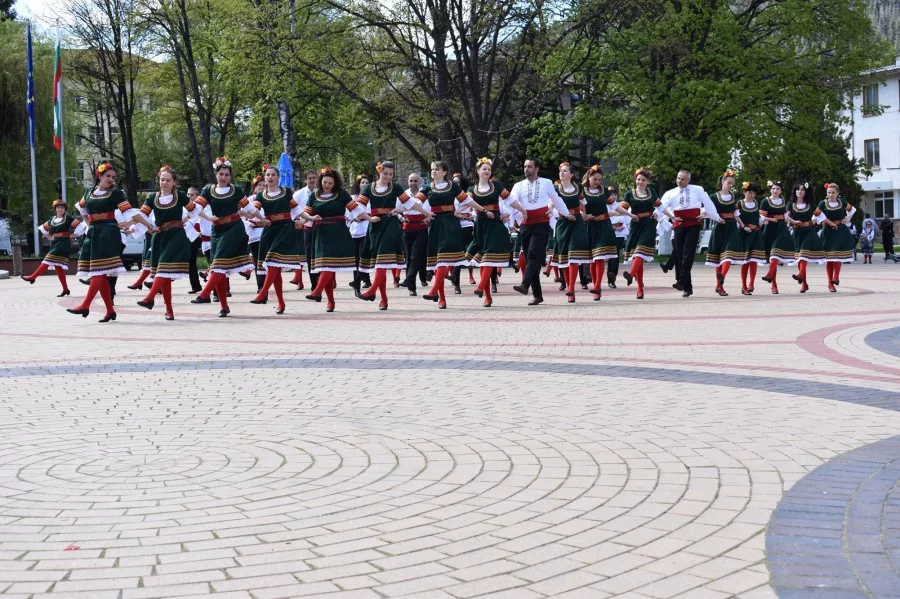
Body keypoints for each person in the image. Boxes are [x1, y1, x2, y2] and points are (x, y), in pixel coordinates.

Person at [190, 157, 268, 317]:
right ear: (216, 174)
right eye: (221, 174)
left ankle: (204, 294)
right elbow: (195, 208)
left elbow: (250, 208)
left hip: (234, 229)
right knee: (218, 268)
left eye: (226, 174)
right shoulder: (207, 190)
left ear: (230, 176)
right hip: (217, 231)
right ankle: (224, 306)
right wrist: (208, 217)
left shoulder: (236, 190)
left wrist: (262, 219)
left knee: (217, 265)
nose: (224, 177)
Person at [68, 162, 138, 322]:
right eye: (108, 176)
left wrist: (128, 224)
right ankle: (110, 311)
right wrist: (89, 223)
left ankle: (85, 305)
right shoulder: (89, 193)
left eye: (113, 177)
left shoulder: (116, 194)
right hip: (94, 233)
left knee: (98, 272)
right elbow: (82, 209)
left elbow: (129, 213)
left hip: (108, 233)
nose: (111, 179)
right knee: (101, 274)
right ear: (99, 175)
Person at [129, 165, 200, 320]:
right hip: (160, 237)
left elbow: (195, 210)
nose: (164, 182)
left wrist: (185, 220)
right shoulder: (151, 198)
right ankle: (169, 310)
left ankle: (149, 298)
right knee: (164, 274)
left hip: (176, 236)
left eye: (168, 180)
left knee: (162, 270)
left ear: (174, 182)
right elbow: (141, 215)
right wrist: (141, 227)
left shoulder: (180, 196)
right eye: (162, 179)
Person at [419, 161, 492, 309]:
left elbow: (467, 200)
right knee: (438, 261)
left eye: (437, 169)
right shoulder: (427, 188)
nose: (433, 171)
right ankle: (441, 298)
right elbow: (412, 203)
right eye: (432, 169)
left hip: (450, 224)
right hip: (435, 226)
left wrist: (483, 210)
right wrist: (424, 213)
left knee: (443, 260)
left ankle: (434, 291)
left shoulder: (452, 186)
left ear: (444, 172)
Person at [303, 167, 378, 312]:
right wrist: (303, 220)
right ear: (321, 181)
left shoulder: (341, 194)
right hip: (320, 233)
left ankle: (318, 291)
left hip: (338, 233)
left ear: (335, 183)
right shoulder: (314, 195)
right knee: (326, 268)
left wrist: (369, 218)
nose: (327, 185)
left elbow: (355, 209)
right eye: (325, 182)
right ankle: (330, 301)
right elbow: (306, 213)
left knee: (328, 267)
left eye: (330, 183)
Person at [357, 161, 430, 310]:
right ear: (379, 172)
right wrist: (369, 218)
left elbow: (410, 203)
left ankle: (372, 291)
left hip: (390, 226)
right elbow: (358, 207)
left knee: (383, 261)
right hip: (375, 226)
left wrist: (426, 213)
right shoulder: (369, 188)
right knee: (380, 265)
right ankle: (383, 299)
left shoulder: (395, 187)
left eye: (391, 174)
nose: (388, 177)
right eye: (385, 174)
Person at [506, 158, 573, 306]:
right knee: (531, 260)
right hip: (526, 224)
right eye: (525, 166)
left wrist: (566, 214)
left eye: (529, 166)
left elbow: (556, 199)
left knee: (533, 254)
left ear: (536, 168)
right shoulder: (518, 185)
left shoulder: (546, 183)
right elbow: (512, 203)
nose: (526, 169)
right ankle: (538, 295)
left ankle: (525, 284)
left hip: (541, 223)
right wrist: (508, 218)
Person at [657, 169, 723, 297]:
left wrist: (716, 217)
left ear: (688, 180)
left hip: (693, 224)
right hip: (679, 225)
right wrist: (668, 216)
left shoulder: (697, 189)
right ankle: (687, 287)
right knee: (680, 255)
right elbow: (661, 207)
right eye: (678, 178)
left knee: (688, 253)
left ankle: (681, 281)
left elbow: (708, 203)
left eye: (683, 179)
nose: (680, 181)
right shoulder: (670, 193)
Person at [250, 165, 304, 314]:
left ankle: (263, 293)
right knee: (275, 269)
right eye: (268, 175)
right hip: (270, 231)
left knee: (273, 263)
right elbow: (254, 210)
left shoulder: (286, 192)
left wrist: (310, 217)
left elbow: (296, 209)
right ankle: (280, 302)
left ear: (278, 177)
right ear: (265, 177)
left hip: (286, 230)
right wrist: (248, 214)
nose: (270, 177)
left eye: (273, 175)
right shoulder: (260, 196)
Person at [465, 157, 509, 307]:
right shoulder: (472, 189)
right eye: (484, 169)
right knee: (484, 262)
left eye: (489, 169)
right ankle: (488, 297)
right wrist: (459, 211)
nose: (487, 171)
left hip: (495, 224)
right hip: (481, 226)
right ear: (477, 171)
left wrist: (512, 212)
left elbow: (510, 200)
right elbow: (466, 203)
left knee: (489, 257)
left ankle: (479, 288)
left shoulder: (496, 185)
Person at [21, 199, 86, 295]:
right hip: (55, 243)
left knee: (47, 259)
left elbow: (81, 226)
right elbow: (43, 229)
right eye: (58, 207)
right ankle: (65, 289)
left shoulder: (68, 218)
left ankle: (33, 277)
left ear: (65, 209)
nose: (60, 209)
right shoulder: (52, 220)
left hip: (63, 244)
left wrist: (74, 235)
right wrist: (50, 237)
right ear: (55, 209)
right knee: (58, 267)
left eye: (62, 207)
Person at [582, 165, 627, 300]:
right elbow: (577, 207)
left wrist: (629, 215)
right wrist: (583, 215)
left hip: (603, 226)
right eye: (595, 179)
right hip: (589, 226)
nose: (597, 182)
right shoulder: (582, 191)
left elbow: (615, 206)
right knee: (592, 259)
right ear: (589, 177)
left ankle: (597, 286)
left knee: (600, 257)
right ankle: (596, 286)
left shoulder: (604, 191)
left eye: (599, 179)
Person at [551, 162, 591, 303]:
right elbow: (551, 206)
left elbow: (583, 202)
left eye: (565, 171)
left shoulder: (578, 187)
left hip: (577, 222)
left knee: (574, 256)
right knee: (565, 258)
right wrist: (559, 213)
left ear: (571, 174)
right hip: (562, 223)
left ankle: (571, 288)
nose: (562, 173)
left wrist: (584, 215)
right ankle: (569, 286)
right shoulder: (555, 189)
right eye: (561, 171)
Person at [619, 169, 659, 299]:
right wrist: (610, 212)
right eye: (638, 179)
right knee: (638, 256)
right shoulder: (629, 194)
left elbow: (661, 207)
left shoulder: (651, 192)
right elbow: (621, 209)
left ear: (648, 181)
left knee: (640, 252)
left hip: (649, 224)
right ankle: (640, 288)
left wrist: (662, 215)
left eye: (643, 180)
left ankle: (630, 275)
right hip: (636, 225)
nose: (640, 182)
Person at [815, 182, 856, 292]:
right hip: (828, 230)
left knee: (839, 255)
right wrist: (822, 221)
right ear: (826, 193)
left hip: (840, 230)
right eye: (829, 192)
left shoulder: (842, 202)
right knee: (829, 258)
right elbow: (816, 215)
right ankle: (830, 283)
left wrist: (848, 218)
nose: (831, 194)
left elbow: (852, 209)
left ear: (838, 193)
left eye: (833, 192)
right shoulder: (822, 203)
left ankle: (836, 277)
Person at [705, 170, 738, 296]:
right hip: (719, 226)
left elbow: (736, 213)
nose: (731, 185)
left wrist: (741, 224)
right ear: (723, 181)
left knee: (729, 255)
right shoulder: (713, 197)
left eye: (732, 183)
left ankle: (721, 277)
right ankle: (720, 287)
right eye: (729, 182)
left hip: (731, 227)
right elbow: (708, 211)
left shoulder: (733, 196)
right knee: (718, 257)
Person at [785, 182, 822, 293]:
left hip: (809, 231)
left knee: (803, 254)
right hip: (797, 233)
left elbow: (820, 215)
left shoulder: (811, 204)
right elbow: (786, 216)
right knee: (800, 257)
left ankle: (800, 275)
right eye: (798, 189)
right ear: (794, 192)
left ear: (806, 192)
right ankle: (804, 284)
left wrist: (814, 220)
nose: (800, 191)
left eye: (802, 189)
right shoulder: (790, 204)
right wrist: (793, 222)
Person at [759, 180, 795, 294]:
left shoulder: (783, 200)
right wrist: (771, 219)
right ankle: (774, 285)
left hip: (782, 228)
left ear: (781, 191)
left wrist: (794, 221)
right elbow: (761, 217)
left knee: (775, 253)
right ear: (770, 189)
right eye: (773, 188)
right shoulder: (765, 201)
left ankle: (769, 274)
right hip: (770, 229)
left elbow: (785, 216)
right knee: (772, 257)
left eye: (778, 189)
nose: (775, 191)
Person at [398, 172, 429, 296]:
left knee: (416, 256)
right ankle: (411, 286)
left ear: (420, 182)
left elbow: (429, 210)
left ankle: (411, 279)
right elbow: (397, 209)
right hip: (408, 227)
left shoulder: (425, 194)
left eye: (415, 181)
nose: (413, 183)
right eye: (411, 181)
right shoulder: (404, 194)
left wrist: (427, 218)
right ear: (408, 182)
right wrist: (402, 219)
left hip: (421, 227)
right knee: (409, 257)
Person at [292, 169, 318, 290]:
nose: (312, 180)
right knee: (308, 256)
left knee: (321, 254)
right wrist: (300, 219)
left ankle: (325, 280)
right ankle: (314, 283)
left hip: (322, 227)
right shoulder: (299, 194)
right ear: (305, 180)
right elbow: (292, 210)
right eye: (309, 178)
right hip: (306, 227)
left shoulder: (322, 192)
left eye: (314, 177)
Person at [451, 172, 476, 293]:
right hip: (454, 227)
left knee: (467, 254)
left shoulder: (467, 195)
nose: (455, 184)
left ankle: (471, 276)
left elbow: (471, 209)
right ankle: (456, 283)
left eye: (457, 182)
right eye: (453, 182)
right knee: (457, 254)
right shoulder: (450, 196)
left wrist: (462, 214)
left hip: (467, 226)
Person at [348, 173, 371, 297]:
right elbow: (348, 212)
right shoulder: (352, 198)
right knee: (355, 259)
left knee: (364, 257)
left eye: (367, 183)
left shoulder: (371, 197)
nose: (364, 185)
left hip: (367, 230)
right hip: (355, 231)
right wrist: (353, 218)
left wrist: (365, 216)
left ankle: (360, 280)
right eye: (362, 182)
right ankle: (357, 285)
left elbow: (371, 212)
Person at [246, 176, 266, 294]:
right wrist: (251, 223)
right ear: (255, 187)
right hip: (254, 235)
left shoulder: (269, 198)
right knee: (258, 260)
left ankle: (267, 284)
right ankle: (260, 286)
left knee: (267, 261)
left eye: (264, 185)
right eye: (260, 185)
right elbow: (242, 216)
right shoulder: (249, 200)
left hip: (267, 233)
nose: (262, 187)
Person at [607, 185, 629, 289]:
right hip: (609, 232)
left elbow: (626, 219)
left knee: (615, 254)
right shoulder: (605, 206)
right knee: (611, 254)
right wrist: (613, 227)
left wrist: (621, 227)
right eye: (611, 194)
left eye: (615, 194)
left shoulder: (620, 206)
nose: (613, 196)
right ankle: (609, 275)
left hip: (620, 233)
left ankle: (612, 276)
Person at [186, 186, 203, 293]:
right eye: (188, 194)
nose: (190, 196)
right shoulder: (184, 207)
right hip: (189, 236)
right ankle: (195, 286)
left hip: (200, 236)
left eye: (192, 194)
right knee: (190, 261)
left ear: (197, 196)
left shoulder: (199, 207)